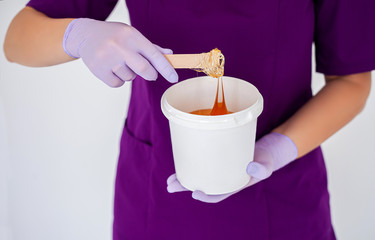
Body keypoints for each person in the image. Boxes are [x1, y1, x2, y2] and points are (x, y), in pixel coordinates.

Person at [3, 0, 374, 239]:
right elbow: (18, 38)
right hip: (157, 197)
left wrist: (275, 151)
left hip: (283, 197)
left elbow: (352, 80)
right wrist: (77, 35)